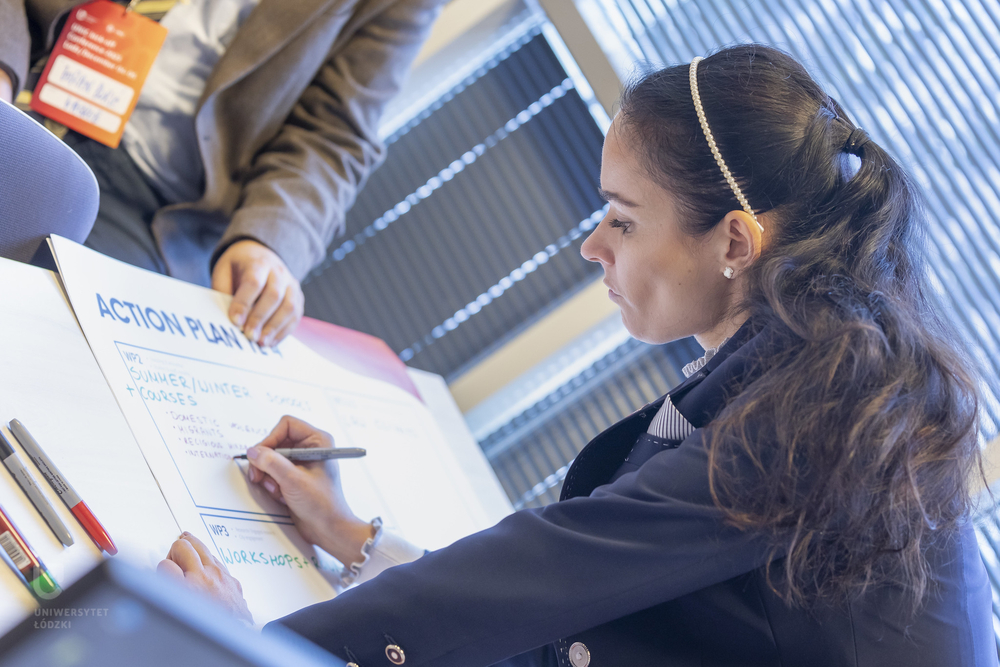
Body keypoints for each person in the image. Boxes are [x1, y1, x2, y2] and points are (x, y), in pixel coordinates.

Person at [158, 44, 995, 666]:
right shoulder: (804, 370)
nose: (593, 246)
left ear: (734, 239)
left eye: (623, 219)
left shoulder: (819, 415)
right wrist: (357, 536)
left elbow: (554, 569)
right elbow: (576, 600)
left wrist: (251, 650)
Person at [0, 0, 444, 345]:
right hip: (27, 81)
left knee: (56, 337)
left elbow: (332, 131)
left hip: (159, 201)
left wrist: (268, 239)